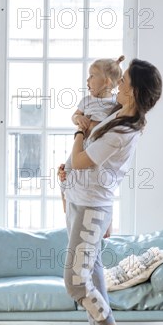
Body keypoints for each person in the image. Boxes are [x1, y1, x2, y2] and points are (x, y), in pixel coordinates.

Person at [62, 59, 162, 325]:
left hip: (91, 208)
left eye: (124, 81)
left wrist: (79, 130)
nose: (118, 84)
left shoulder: (123, 132)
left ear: (132, 92)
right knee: (92, 277)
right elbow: (91, 152)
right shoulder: (119, 115)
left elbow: (82, 160)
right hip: (81, 200)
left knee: (76, 284)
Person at [58, 55, 125, 219]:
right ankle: (66, 204)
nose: (88, 80)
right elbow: (74, 116)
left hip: (97, 150)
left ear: (107, 82)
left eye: (92, 76)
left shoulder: (115, 104)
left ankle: (102, 215)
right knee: (65, 172)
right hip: (82, 145)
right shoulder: (87, 101)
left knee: (100, 183)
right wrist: (78, 119)